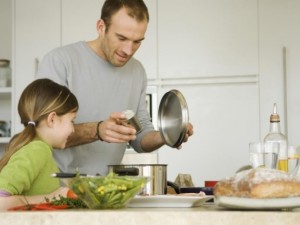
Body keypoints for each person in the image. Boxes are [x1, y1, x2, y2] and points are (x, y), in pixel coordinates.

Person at [37, 0, 193, 176]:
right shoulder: (60, 61)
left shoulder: (137, 71)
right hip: (57, 187)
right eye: (122, 38)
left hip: (104, 190)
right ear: (101, 27)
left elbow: (140, 136)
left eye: (137, 41)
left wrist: (168, 135)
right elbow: (44, 131)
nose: (128, 50)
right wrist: (98, 130)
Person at [0, 78, 78, 210]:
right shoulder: (37, 150)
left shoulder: (40, 149)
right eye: (72, 121)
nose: (73, 129)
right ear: (52, 119)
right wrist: (52, 197)